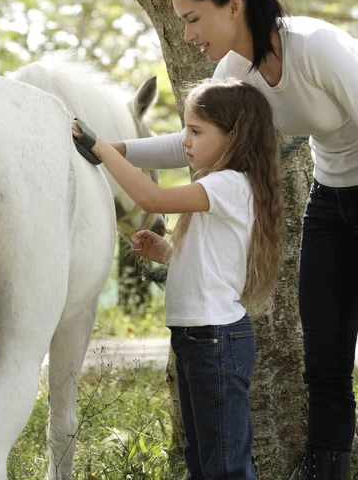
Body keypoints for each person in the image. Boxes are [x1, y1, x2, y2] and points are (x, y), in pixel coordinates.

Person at [107, 0, 358, 479]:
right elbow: (189, 143)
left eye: (194, 18)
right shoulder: (234, 72)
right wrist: (114, 149)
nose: (188, 33)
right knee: (326, 352)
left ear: (235, 5)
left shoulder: (318, 47)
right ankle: (327, 467)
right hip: (331, 194)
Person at [73, 79, 283, 479]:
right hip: (197, 337)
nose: (184, 140)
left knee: (224, 466)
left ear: (234, 136)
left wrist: (101, 147)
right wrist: (169, 255)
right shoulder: (223, 186)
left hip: (216, 339)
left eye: (196, 131)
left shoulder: (229, 184)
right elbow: (213, 267)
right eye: (185, 128)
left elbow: (151, 198)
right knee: (200, 459)